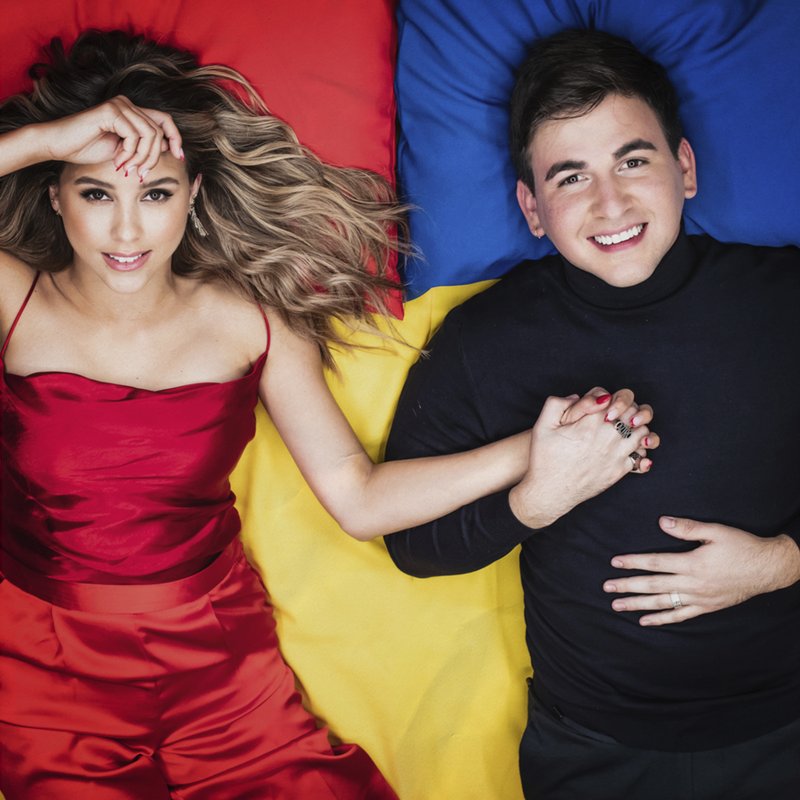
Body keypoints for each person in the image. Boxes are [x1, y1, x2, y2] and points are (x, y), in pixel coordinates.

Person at [0, 29, 655, 800]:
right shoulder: (18, 303)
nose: (126, 231)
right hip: (47, 671)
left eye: (155, 194)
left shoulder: (253, 324)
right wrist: (48, 140)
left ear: (194, 194)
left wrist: (537, 450)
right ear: (55, 195)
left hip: (217, 661)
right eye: (95, 193)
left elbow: (359, 498)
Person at [384, 28, 800, 800]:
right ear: (532, 209)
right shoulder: (484, 340)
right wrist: (533, 502)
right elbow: (412, 546)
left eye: (633, 161)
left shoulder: (784, 300)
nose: (610, 203)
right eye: (571, 177)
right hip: (590, 749)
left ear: (684, 168)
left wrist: (783, 562)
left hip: (786, 725)